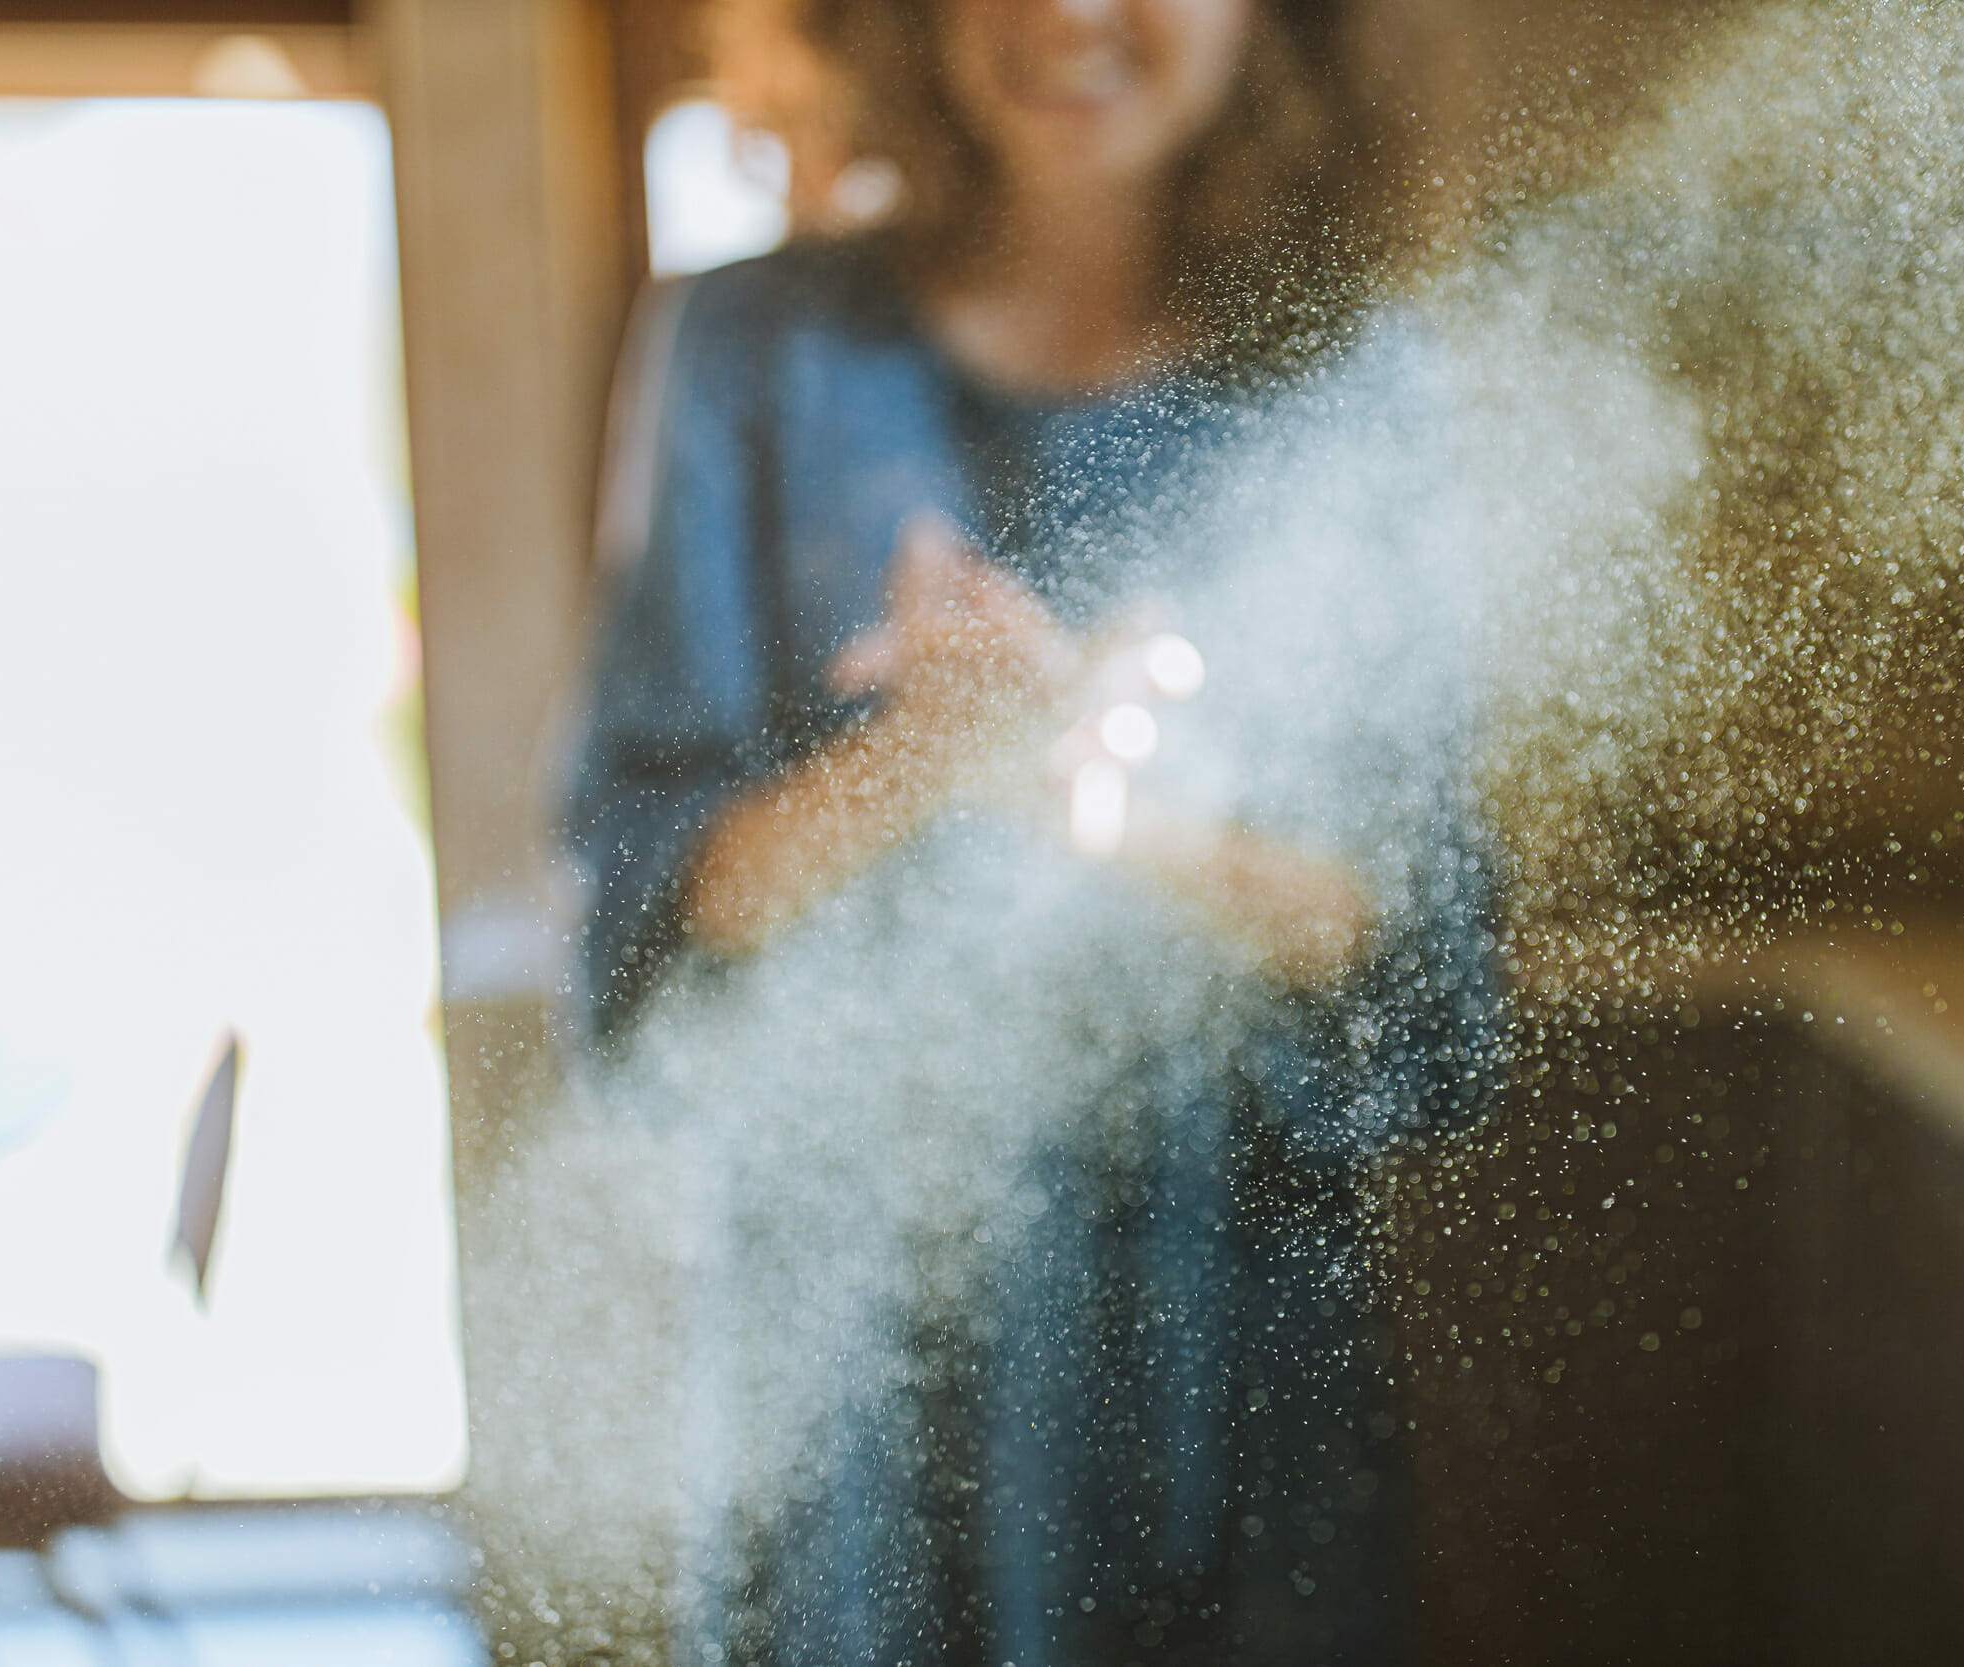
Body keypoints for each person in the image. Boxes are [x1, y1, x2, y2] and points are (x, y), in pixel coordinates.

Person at [563, 1, 1494, 1661]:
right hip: (859, 1411)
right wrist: (927, 753)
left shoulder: (1354, 382)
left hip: (1238, 1382)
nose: (1068, 10)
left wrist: (1112, 797)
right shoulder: (755, 357)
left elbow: (1425, 993)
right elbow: (640, 963)